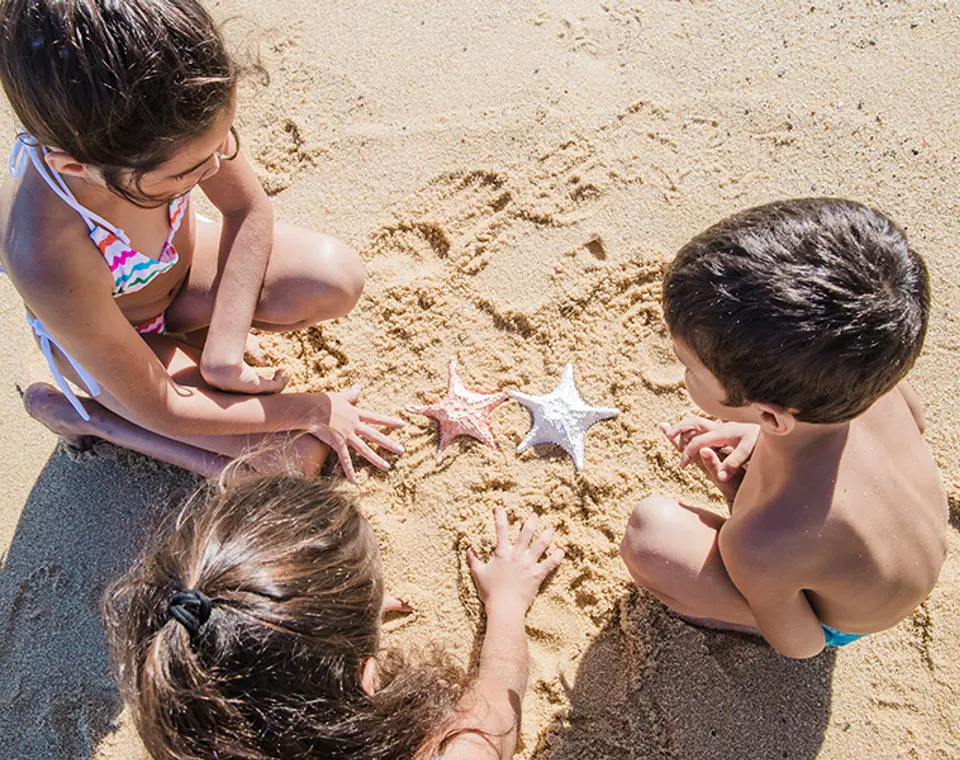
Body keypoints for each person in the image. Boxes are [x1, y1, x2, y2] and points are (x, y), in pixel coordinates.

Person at [0, 0, 402, 480]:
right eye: (186, 175)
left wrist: (224, 353)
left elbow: (246, 208)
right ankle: (95, 419)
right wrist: (310, 409)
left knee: (336, 278)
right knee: (290, 462)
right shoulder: (46, 252)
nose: (213, 170)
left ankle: (195, 347)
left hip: (184, 277)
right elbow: (164, 406)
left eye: (220, 145)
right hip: (118, 343)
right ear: (75, 167)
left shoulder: (174, 117)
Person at [619, 198, 948, 659]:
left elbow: (803, 645)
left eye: (688, 368)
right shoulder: (868, 376)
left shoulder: (760, 543)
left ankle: (752, 607)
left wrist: (759, 564)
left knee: (651, 537)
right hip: (895, 567)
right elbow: (903, 433)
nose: (684, 375)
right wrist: (757, 436)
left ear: (774, 416)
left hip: (834, 623)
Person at [105, 469, 563, 760]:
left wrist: (312, 624)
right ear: (367, 676)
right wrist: (506, 603)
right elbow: (495, 713)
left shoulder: (185, 722)